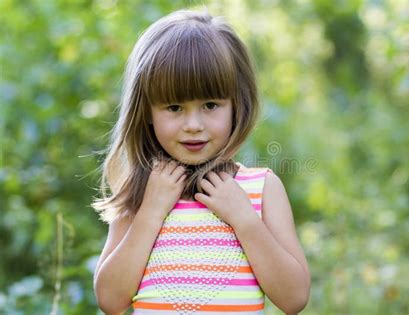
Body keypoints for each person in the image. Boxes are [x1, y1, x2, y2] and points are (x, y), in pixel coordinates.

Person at [92, 7, 310, 315]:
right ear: (147, 113)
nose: (193, 124)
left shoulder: (261, 189)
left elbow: (294, 298)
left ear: (237, 106)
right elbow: (110, 301)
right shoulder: (143, 192)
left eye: (210, 104)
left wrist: (245, 220)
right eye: (174, 107)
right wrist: (151, 212)